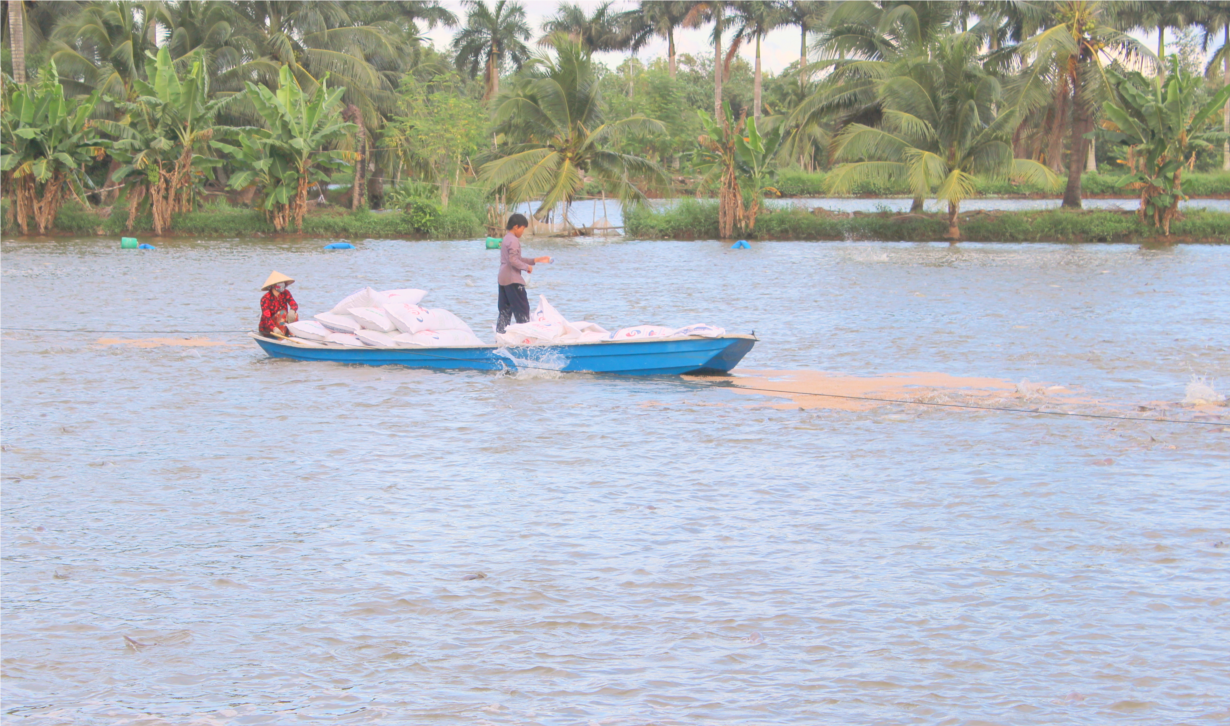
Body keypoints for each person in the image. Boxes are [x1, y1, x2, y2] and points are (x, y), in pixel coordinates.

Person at [496, 213, 551, 333]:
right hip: (513, 279)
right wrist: (527, 267)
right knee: (522, 310)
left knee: (504, 312)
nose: (522, 232)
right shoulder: (514, 240)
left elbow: (515, 258)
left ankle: (500, 337)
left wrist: (535, 260)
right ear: (516, 227)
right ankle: (525, 338)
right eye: (522, 229)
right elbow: (513, 260)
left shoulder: (506, 238)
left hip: (503, 279)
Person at [258, 271, 299, 336]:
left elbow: (294, 304)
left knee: (295, 314)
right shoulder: (265, 298)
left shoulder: (286, 293)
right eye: (279, 285)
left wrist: (292, 310)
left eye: (283, 285)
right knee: (282, 313)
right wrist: (274, 328)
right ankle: (281, 337)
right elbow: (266, 317)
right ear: (273, 286)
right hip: (269, 328)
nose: (282, 287)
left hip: (283, 324)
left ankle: (292, 334)